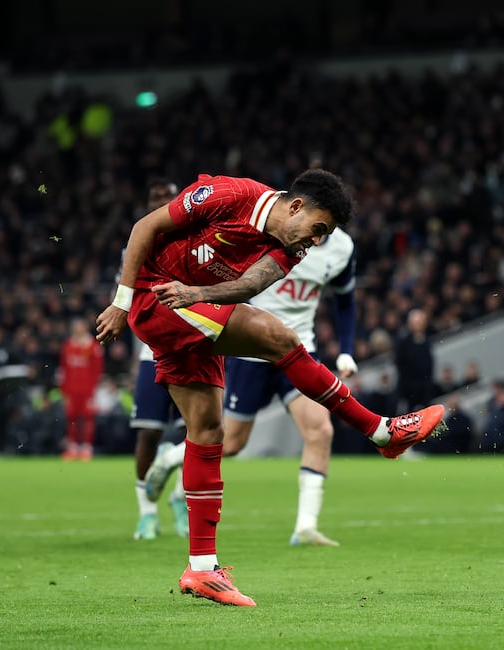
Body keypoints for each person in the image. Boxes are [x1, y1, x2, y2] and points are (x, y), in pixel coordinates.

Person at [95, 169, 446, 607]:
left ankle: (202, 569)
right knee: (279, 338)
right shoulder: (230, 195)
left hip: (189, 304)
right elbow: (145, 227)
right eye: (318, 229)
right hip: (156, 296)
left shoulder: (291, 248)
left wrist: (197, 292)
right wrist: (121, 301)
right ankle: (380, 432)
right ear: (296, 206)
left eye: (326, 235)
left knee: (208, 431)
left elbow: (250, 285)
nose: (317, 241)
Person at [144, 224, 360, 548]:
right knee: (230, 443)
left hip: (299, 348)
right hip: (251, 348)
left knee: (320, 430)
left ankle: (305, 527)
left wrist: (345, 349)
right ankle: (170, 459)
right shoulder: (273, 230)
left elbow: (345, 299)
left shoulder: (342, 247)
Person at [130, 179, 189, 541]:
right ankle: (146, 513)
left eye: (166, 198)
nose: (160, 202)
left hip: (191, 348)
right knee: (149, 432)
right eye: (154, 197)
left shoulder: (194, 240)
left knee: (194, 433)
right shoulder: (137, 243)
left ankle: (180, 499)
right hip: (149, 351)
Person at [58, 318, 104, 460]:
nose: (78, 330)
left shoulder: (93, 347)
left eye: (80, 327)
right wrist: (63, 389)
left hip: (87, 390)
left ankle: (86, 448)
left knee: (87, 418)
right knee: (71, 417)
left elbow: (98, 370)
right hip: (71, 389)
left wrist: (94, 389)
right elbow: (64, 369)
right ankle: (73, 447)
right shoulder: (68, 346)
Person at [393, 308, 435, 411]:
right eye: (416, 322)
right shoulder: (403, 342)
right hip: (408, 390)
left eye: (421, 322)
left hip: (425, 389)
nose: (419, 325)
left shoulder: (427, 341)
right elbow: (400, 364)